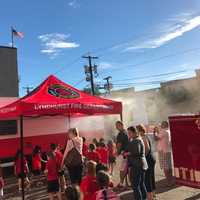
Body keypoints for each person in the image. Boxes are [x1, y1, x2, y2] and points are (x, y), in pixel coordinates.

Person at [126, 126, 148, 200]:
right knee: (141, 184)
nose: (128, 134)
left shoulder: (136, 140)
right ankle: (144, 198)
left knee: (135, 185)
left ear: (134, 132)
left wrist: (127, 154)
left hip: (137, 165)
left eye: (129, 133)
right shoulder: (139, 139)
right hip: (142, 164)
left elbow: (136, 152)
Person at [137, 125, 156, 200]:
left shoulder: (143, 137)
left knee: (147, 178)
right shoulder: (145, 136)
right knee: (151, 177)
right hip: (151, 158)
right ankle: (153, 194)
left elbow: (147, 149)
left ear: (139, 130)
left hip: (148, 159)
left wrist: (143, 157)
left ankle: (150, 197)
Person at [154, 121, 173, 185]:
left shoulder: (163, 131)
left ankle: (168, 182)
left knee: (165, 167)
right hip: (167, 150)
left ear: (164, 125)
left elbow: (156, 138)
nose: (161, 125)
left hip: (163, 151)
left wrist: (155, 132)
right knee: (169, 167)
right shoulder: (168, 131)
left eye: (162, 124)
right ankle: (170, 181)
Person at [115, 121, 129, 188]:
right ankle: (125, 183)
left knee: (122, 169)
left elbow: (119, 144)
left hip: (123, 153)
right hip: (127, 153)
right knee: (125, 169)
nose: (116, 127)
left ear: (121, 125)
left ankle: (121, 183)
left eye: (117, 125)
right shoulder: (126, 132)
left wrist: (117, 152)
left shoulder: (121, 134)